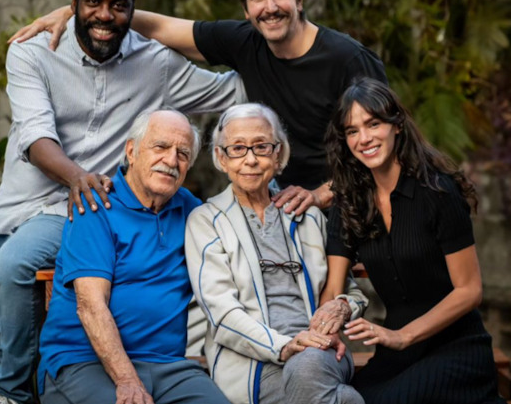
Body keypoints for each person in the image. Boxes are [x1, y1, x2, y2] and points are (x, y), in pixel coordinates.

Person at [0, 0, 245, 404]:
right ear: (74, 5)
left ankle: (25, 392)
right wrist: (79, 177)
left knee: (17, 267)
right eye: (92, 3)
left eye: (118, 6)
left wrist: (278, 50)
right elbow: (35, 135)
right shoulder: (32, 51)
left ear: (132, 12)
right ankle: (7, 395)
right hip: (30, 208)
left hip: (94, 212)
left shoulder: (155, 62)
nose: (105, 15)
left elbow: (233, 90)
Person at [9, 0, 387, 216]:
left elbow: (381, 149)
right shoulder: (244, 41)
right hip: (279, 203)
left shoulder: (348, 61)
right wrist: (82, 12)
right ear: (246, 8)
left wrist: (320, 196)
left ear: (300, 0)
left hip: (345, 203)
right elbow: (160, 26)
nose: (270, 6)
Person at [323, 78, 505, 404]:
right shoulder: (349, 200)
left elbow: (470, 290)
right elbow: (333, 288)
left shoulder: (438, 192)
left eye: (373, 124)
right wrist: (327, 325)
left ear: (397, 126)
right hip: (396, 355)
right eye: (352, 131)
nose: (363, 138)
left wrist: (402, 336)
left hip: (455, 346)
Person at [38, 109, 230, 404]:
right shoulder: (96, 206)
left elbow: (237, 215)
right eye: (161, 147)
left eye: (182, 153)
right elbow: (91, 307)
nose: (171, 161)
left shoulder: (191, 211)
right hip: (85, 362)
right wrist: (127, 380)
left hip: (167, 366)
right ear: (132, 150)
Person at [184, 103, 369, 404]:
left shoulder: (307, 216)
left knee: (309, 366)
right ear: (221, 157)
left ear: (278, 153)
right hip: (250, 365)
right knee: (341, 398)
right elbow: (222, 313)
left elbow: (352, 292)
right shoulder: (206, 221)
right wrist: (286, 345)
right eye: (238, 148)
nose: (251, 159)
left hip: (322, 351)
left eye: (262, 147)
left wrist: (343, 308)